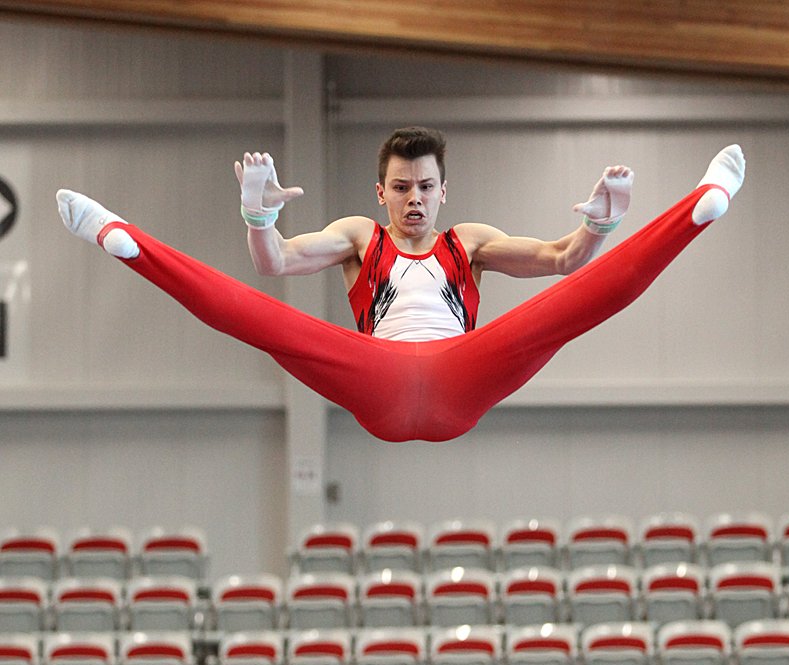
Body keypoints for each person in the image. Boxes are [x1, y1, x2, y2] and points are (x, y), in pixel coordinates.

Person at [55, 126, 745, 443]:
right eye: (401, 186)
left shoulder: (469, 241)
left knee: (566, 311)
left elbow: (564, 260)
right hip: (377, 376)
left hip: (460, 372)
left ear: (444, 191)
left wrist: (598, 225)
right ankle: (126, 241)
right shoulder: (360, 236)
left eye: (425, 187)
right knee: (262, 321)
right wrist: (259, 216)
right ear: (380, 191)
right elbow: (275, 263)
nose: (414, 198)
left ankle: (696, 209)